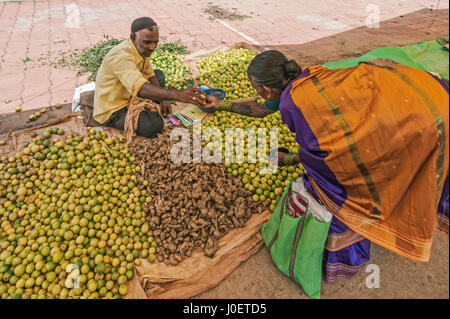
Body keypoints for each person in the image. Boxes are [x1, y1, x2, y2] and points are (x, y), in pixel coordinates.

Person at [203, 50, 449, 282]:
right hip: (429, 97)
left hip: (420, 124)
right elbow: (261, 109)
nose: (257, 93)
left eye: (256, 89)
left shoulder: (293, 104)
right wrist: (221, 104)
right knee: (401, 164)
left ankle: (349, 253)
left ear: (266, 89)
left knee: (329, 185)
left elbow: (322, 154)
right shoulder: (308, 77)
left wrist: (287, 159)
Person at [93, 17, 206, 138]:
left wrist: (164, 99)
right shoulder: (121, 57)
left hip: (127, 91)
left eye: (155, 42)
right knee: (154, 125)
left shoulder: (140, 49)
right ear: (133, 37)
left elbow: (150, 74)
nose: (152, 47)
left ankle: (157, 98)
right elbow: (141, 88)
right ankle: (143, 111)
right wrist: (177, 94)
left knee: (159, 76)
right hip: (113, 110)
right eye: (147, 42)